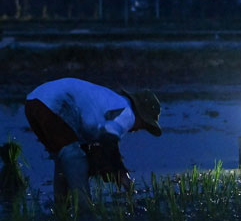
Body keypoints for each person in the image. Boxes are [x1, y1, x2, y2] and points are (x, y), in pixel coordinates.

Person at [24, 78, 162, 203]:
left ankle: (61, 209)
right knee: (75, 159)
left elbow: (101, 141)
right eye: (143, 125)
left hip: (33, 102)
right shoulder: (128, 113)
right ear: (139, 114)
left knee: (63, 160)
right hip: (53, 102)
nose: (138, 129)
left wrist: (109, 167)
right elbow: (108, 139)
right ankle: (86, 211)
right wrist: (121, 173)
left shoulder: (112, 102)